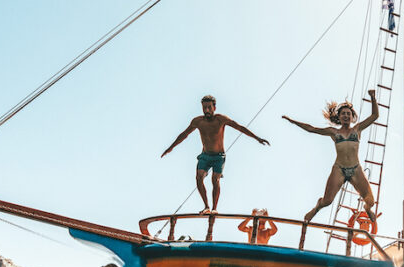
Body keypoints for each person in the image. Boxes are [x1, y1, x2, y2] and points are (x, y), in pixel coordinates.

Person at [161, 95, 269, 214]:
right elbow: (184, 134)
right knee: (198, 177)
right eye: (204, 108)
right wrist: (170, 148)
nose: (207, 110)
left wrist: (257, 138)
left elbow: (239, 127)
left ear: (214, 107)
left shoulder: (221, 119)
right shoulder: (197, 121)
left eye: (209, 107)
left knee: (215, 179)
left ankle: (214, 208)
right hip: (205, 156)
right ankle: (206, 206)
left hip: (219, 157)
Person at [284, 90, 379, 223]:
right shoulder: (333, 132)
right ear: (339, 117)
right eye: (343, 114)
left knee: (371, 201)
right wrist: (293, 121)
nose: (346, 116)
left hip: (355, 169)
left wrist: (373, 98)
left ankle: (368, 209)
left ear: (352, 117)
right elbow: (311, 129)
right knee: (327, 201)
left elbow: (375, 116)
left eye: (348, 114)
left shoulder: (357, 129)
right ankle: (317, 207)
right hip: (339, 169)